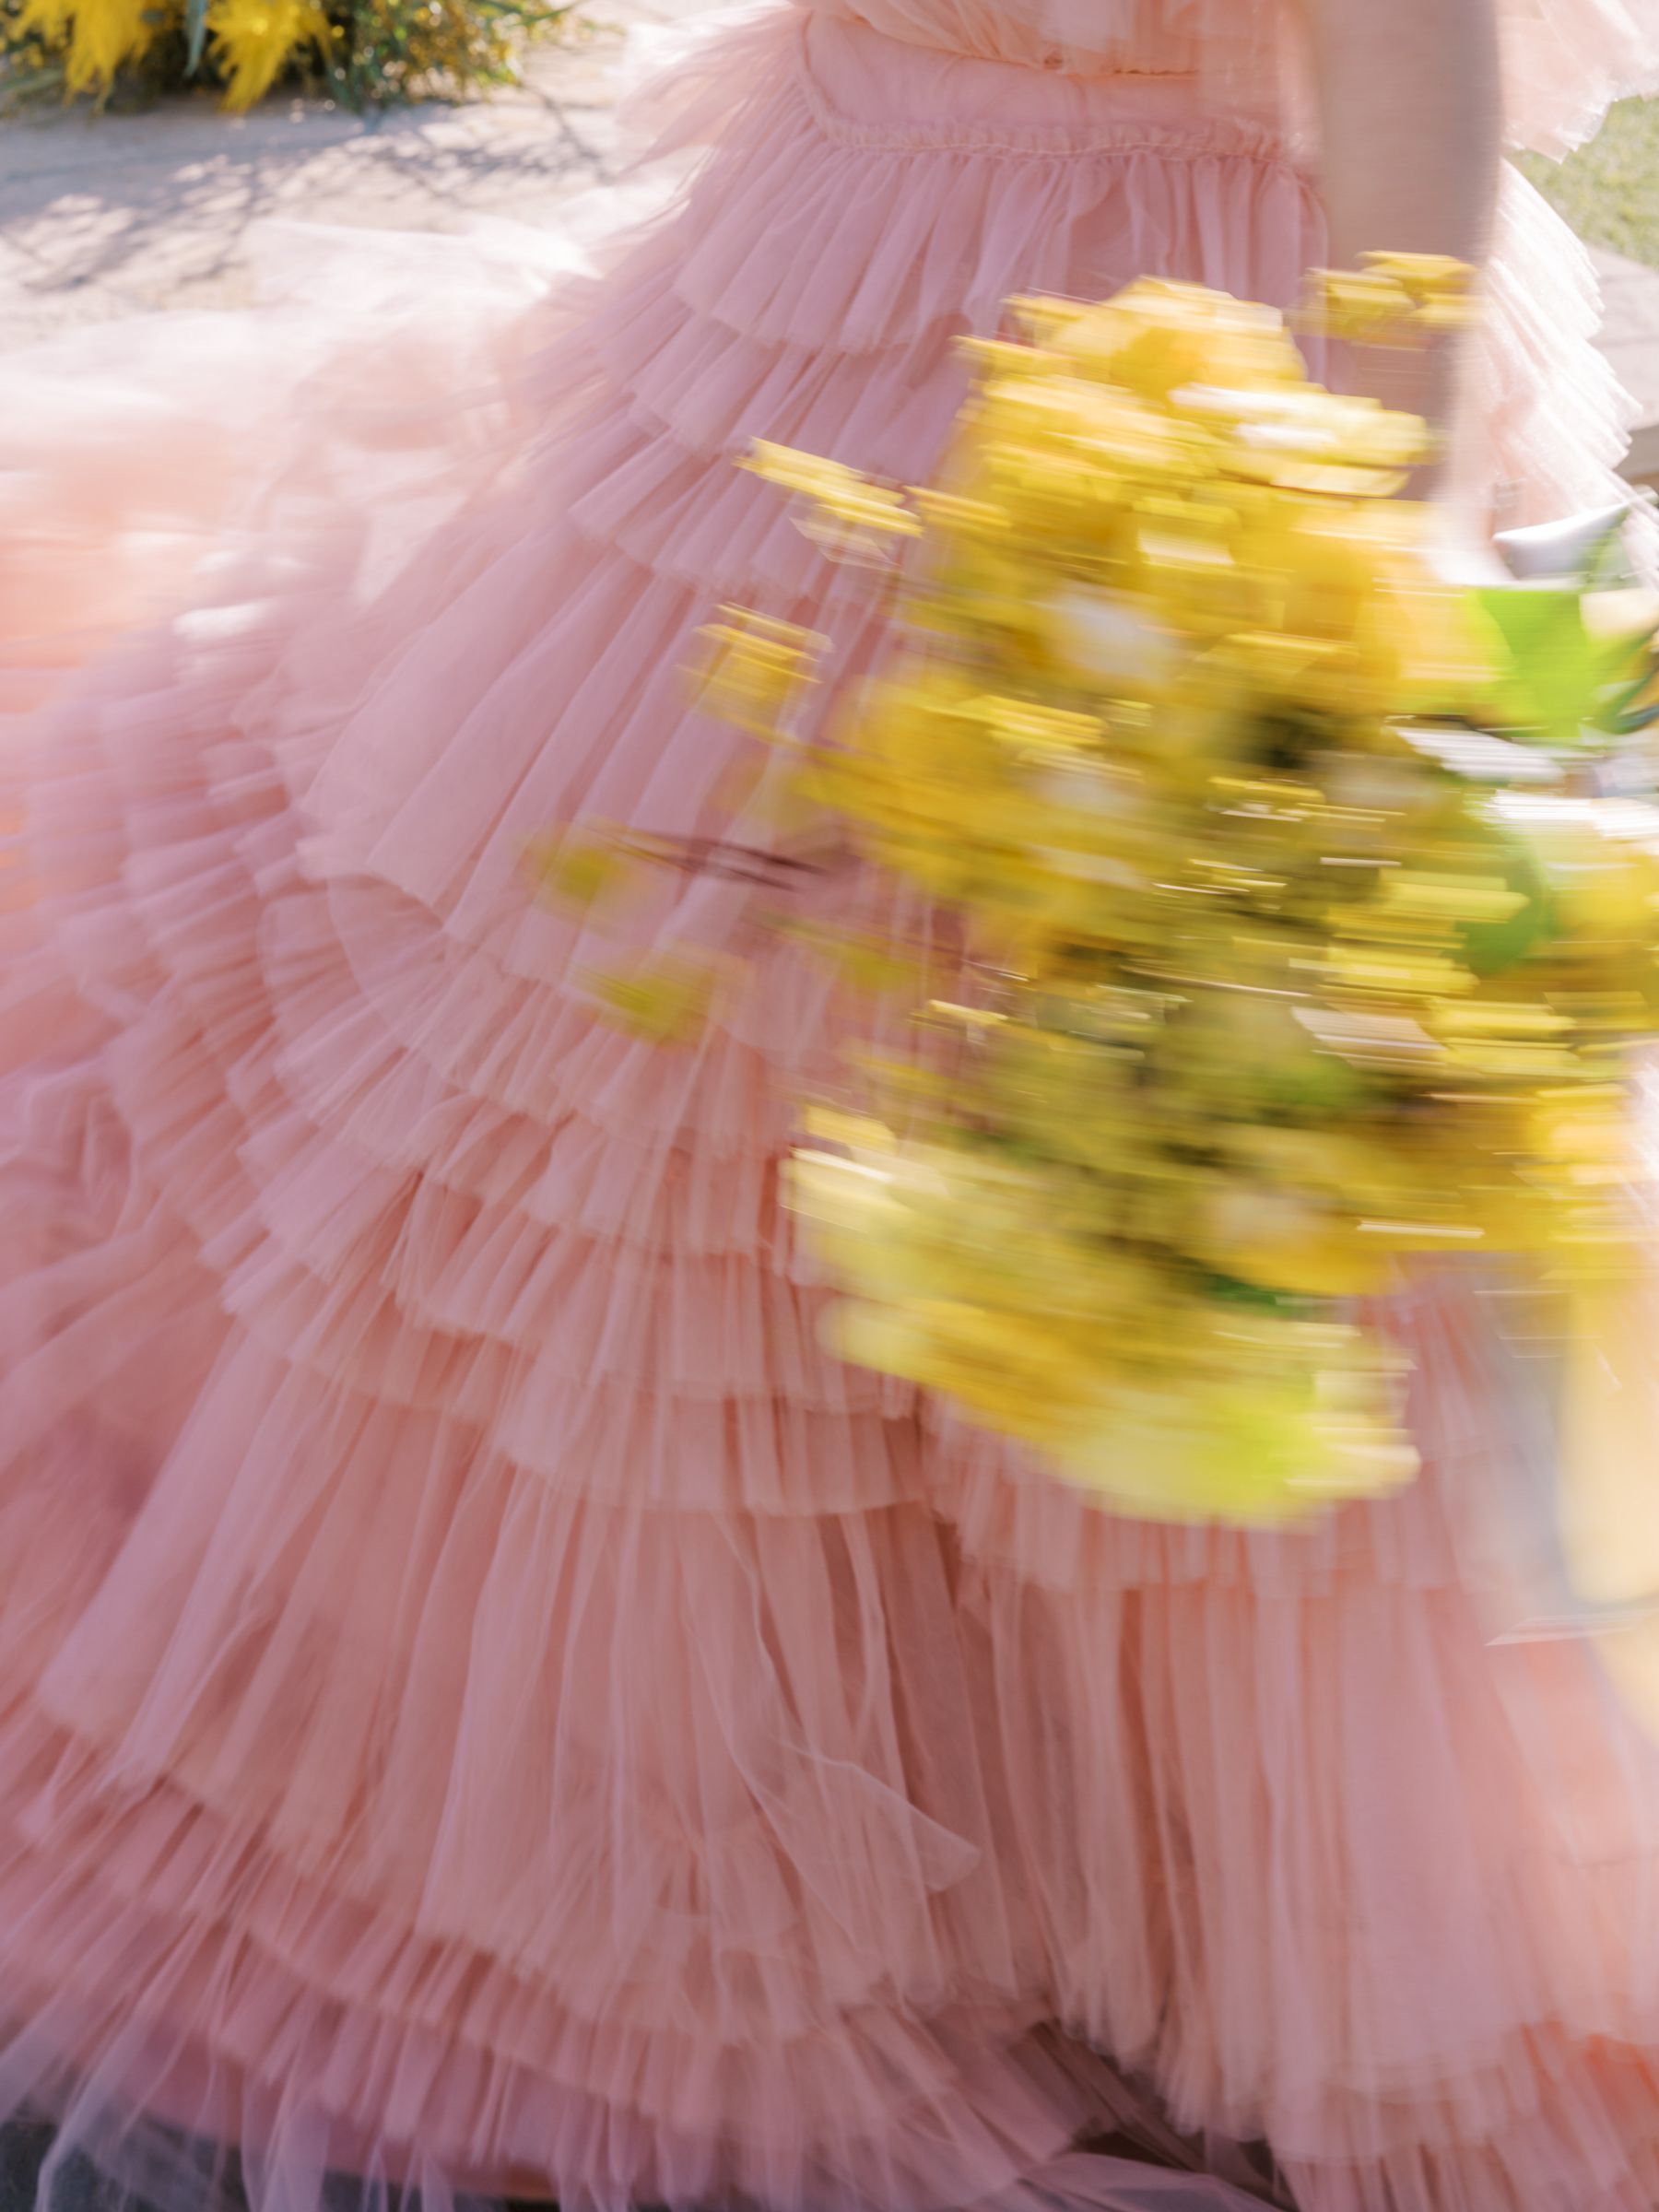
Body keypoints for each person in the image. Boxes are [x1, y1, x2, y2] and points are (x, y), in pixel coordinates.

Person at [1, 0, 1659, 2206]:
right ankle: (871, 1872)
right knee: (674, 1116)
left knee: (1209, 1169)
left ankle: (1217, 1905)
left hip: (1236, 358)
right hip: (809, 331)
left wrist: (1390, 524)